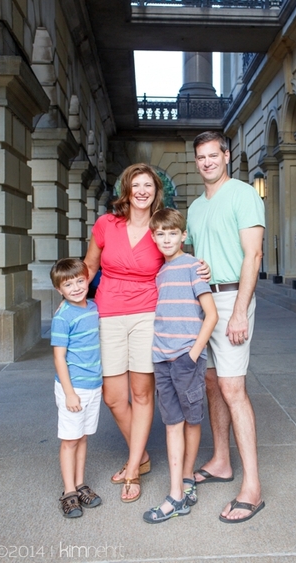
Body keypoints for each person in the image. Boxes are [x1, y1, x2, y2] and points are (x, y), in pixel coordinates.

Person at [84, 163, 209, 503]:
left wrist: (202, 265)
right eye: (136, 184)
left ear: (156, 192)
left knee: (141, 394)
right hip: (109, 312)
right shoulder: (106, 224)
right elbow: (90, 266)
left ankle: (133, 468)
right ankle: (141, 454)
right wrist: (73, 301)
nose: (142, 190)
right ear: (126, 190)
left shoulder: (158, 229)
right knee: (113, 395)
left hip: (147, 315)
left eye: (148, 186)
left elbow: (178, 253)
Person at [186, 131, 266, 523]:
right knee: (212, 383)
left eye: (212, 155)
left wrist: (239, 310)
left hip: (233, 298)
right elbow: (198, 255)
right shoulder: (196, 207)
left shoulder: (243, 194)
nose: (206, 162)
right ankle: (220, 461)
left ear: (226, 155)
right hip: (204, 302)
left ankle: (252, 487)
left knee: (234, 388)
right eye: (200, 157)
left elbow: (253, 255)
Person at [142, 209, 218, 523]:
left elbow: (211, 315)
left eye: (172, 233)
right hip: (161, 358)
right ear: (153, 236)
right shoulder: (160, 273)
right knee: (172, 422)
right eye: (160, 234)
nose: (166, 239)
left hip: (186, 358)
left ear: (183, 236)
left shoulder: (193, 267)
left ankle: (184, 481)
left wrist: (192, 355)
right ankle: (177, 492)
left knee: (192, 419)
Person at [50, 258, 103, 518]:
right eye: (68, 284)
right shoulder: (63, 316)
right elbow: (59, 357)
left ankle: (81, 484)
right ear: (59, 290)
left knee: (82, 437)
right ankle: (69, 492)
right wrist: (70, 392)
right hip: (74, 388)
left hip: (94, 385)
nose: (76, 287)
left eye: (80, 281)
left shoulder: (93, 307)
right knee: (70, 440)